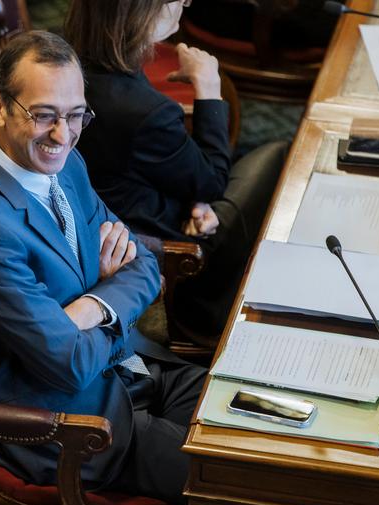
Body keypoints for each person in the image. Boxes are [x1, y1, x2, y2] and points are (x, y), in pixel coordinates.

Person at [0, 30, 207, 505]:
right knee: (239, 482)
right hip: (75, 429)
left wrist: (92, 305)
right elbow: (70, 365)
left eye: (76, 115)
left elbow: (143, 261)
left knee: (249, 425)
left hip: (135, 371)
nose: (63, 134)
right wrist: (113, 294)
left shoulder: (65, 162)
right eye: (43, 116)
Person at [65, 0, 288, 338]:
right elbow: (212, 182)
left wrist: (195, 199)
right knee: (275, 156)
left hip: (126, 208)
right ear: (139, 13)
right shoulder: (144, 111)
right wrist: (209, 88)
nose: (186, 2)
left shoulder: (70, 67)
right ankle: (219, 309)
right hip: (166, 249)